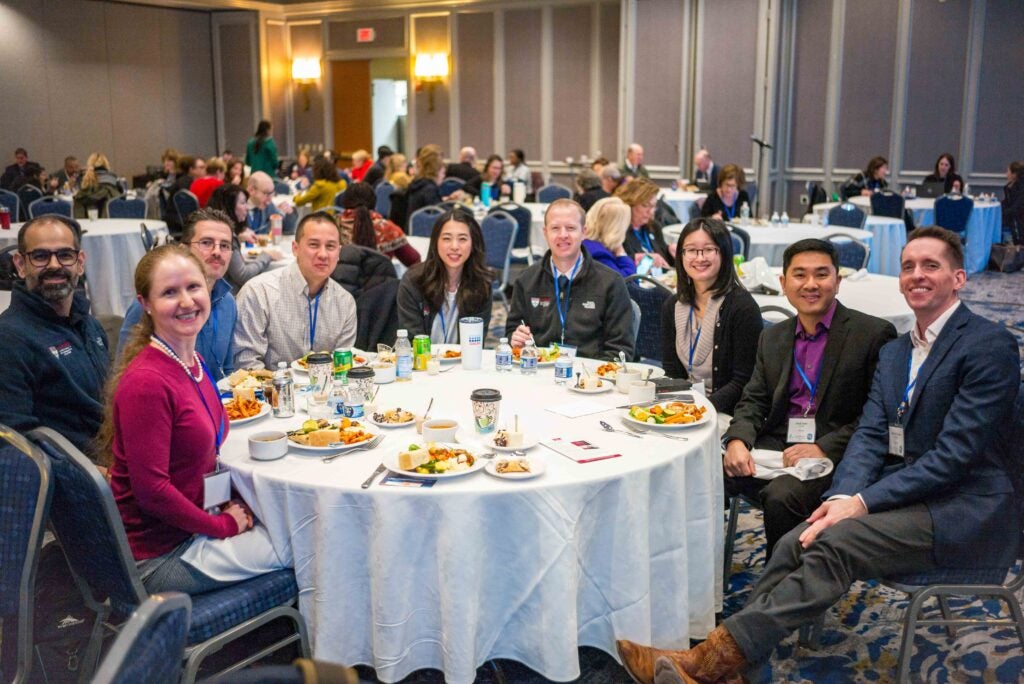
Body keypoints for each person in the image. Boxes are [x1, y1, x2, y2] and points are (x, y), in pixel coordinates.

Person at [617, 227, 1020, 684]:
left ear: (960, 278)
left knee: (835, 543)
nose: (916, 275)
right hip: (904, 495)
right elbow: (870, 435)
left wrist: (860, 503)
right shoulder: (896, 353)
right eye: (908, 266)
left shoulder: (987, 345)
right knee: (798, 539)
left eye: (931, 266)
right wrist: (842, 496)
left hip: (964, 509)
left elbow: (954, 457)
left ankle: (708, 663)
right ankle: (735, 670)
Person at [100, 245, 284, 594]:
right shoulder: (147, 382)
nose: (186, 301)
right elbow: (152, 493)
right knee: (299, 544)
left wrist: (224, 502)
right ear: (146, 304)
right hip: (160, 556)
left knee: (289, 524)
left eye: (194, 287)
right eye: (170, 292)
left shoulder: (193, 362)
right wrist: (221, 525)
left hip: (192, 524)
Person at [718, 238, 896, 556]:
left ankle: (783, 588)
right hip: (777, 448)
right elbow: (753, 399)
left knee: (781, 496)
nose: (811, 284)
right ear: (784, 283)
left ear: (838, 282)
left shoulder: (871, 335)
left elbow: (877, 415)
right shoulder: (771, 336)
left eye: (821, 274)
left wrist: (822, 447)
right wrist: (737, 440)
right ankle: (708, 583)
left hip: (833, 454)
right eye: (800, 275)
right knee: (706, 472)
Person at [0, 215, 110, 455]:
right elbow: (17, 444)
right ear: (20, 265)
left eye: (65, 255)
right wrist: (98, 476)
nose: (54, 265)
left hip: (114, 457)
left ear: (80, 263)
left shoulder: (91, 326)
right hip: (77, 482)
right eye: (40, 256)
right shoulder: (8, 341)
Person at [506, 199, 635, 360]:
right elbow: (512, 330)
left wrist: (591, 378)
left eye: (571, 228)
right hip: (538, 371)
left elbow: (620, 349)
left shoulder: (610, 282)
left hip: (591, 377)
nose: (563, 235)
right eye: (555, 228)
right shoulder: (526, 279)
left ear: (584, 232)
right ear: (545, 233)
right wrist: (515, 338)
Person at [119, 208, 238, 381]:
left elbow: (226, 370)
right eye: (206, 242)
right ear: (184, 249)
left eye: (225, 245)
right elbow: (125, 375)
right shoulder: (150, 307)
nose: (217, 252)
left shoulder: (228, 303)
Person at [660, 218, 762, 416]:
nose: (699, 258)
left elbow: (744, 381)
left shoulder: (742, 308)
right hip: (684, 408)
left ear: (723, 253)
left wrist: (700, 409)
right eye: (691, 250)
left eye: (708, 249)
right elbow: (672, 372)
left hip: (727, 413)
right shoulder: (672, 306)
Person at [234, 212, 358, 369]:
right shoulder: (259, 293)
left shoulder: (345, 302)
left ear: (339, 252)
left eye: (330, 246)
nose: (323, 254)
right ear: (295, 248)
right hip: (271, 391)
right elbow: (246, 365)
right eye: (313, 245)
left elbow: (342, 367)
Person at [397, 207, 493, 343]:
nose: (454, 246)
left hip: (463, 362)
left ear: (473, 243)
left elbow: (476, 343)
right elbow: (412, 339)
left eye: (462, 239)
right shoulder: (414, 281)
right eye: (447, 239)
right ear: (436, 242)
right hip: (421, 361)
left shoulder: (481, 285)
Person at [207, 184, 283, 291]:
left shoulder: (212, 228)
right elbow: (243, 276)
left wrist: (238, 237)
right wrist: (267, 255)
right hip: (229, 296)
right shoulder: (227, 237)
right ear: (229, 206)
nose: (247, 208)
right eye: (243, 203)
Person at [340, 182, 420, 267]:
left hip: (338, 279)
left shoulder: (332, 226)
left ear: (345, 202)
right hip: (381, 279)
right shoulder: (389, 229)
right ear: (374, 202)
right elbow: (415, 260)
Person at [616, 177, 673, 268]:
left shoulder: (654, 227)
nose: (651, 211)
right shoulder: (619, 231)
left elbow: (663, 260)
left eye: (654, 206)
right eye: (646, 205)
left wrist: (670, 251)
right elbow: (613, 263)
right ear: (630, 204)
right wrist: (638, 258)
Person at [581, 197, 634, 277]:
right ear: (617, 227)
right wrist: (621, 253)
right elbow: (628, 282)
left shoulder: (586, 243)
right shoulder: (599, 254)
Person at [74, 153, 121, 219]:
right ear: (106, 164)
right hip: (110, 222)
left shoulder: (84, 181)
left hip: (87, 223)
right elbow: (121, 197)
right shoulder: (113, 179)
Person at [406, 145, 445, 217]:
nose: (444, 176)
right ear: (436, 170)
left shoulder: (416, 185)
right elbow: (438, 216)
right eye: (442, 172)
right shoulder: (429, 189)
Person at [1002, 161, 1024, 245]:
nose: (1006, 174)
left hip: (1019, 221)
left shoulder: (1020, 189)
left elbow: (1017, 207)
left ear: (1014, 175)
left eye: (1008, 171)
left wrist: (1003, 213)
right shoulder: (1011, 187)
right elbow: (1007, 202)